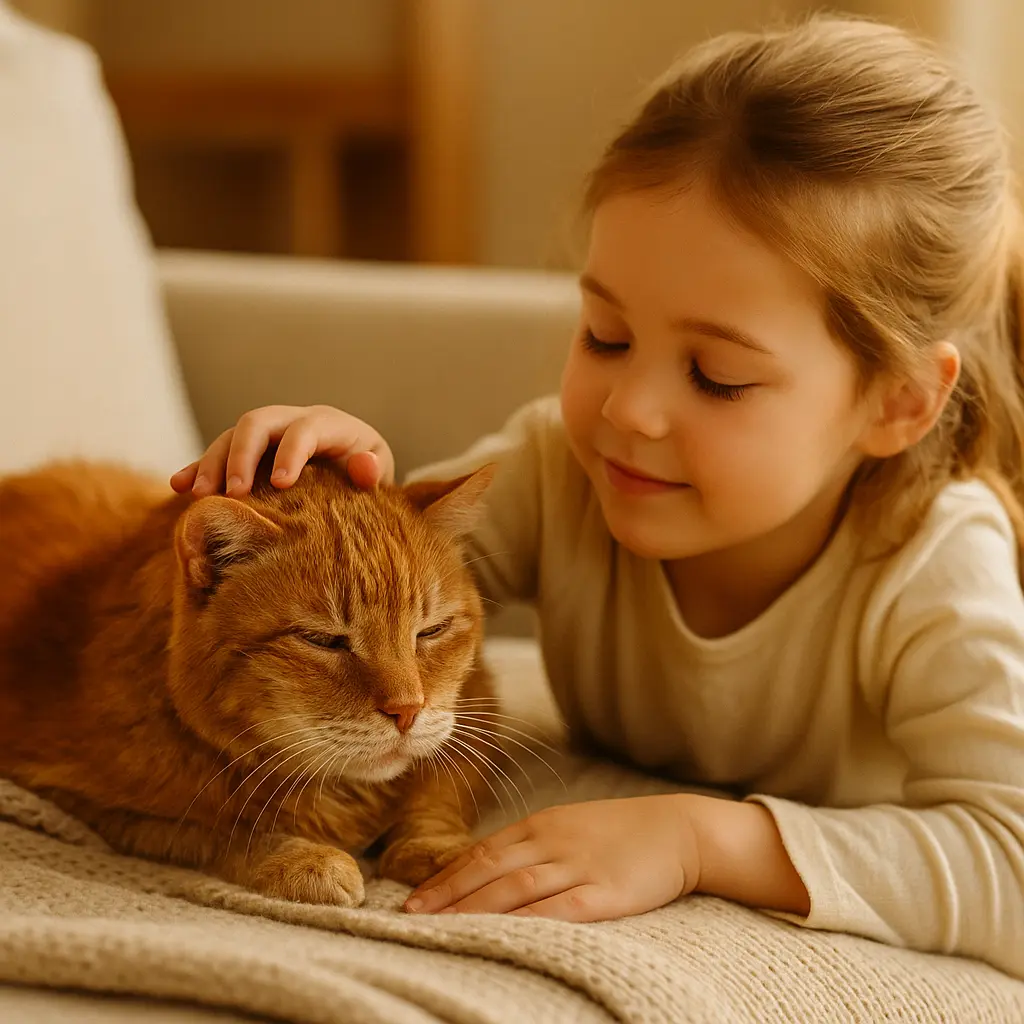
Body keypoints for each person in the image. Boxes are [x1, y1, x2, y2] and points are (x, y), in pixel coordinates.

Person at [171, 16, 1024, 977]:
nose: (629, 410)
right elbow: (373, 612)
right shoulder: (559, 468)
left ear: (900, 402)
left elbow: (1014, 869)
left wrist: (704, 842)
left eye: (716, 375)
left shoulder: (933, 560)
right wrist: (339, 487)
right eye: (606, 336)